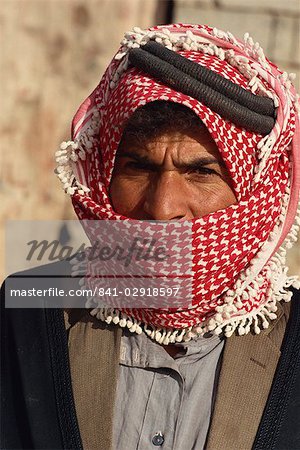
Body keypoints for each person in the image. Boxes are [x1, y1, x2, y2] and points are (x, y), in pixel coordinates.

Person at [1, 23, 300, 450]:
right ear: (103, 177)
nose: (162, 209)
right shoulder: (28, 308)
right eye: (138, 167)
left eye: (201, 172)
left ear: (257, 193)